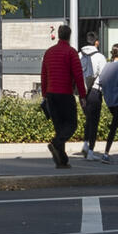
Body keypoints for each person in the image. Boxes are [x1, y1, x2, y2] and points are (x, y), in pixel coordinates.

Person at [39, 23, 85, 168]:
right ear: (69, 36)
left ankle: (62, 161)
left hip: (51, 94)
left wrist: (44, 95)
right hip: (65, 94)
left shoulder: (49, 52)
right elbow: (78, 75)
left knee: (59, 128)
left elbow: (44, 74)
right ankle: (56, 143)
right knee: (71, 125)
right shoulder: (71, 52)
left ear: (58, 35)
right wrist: (83, 96)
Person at [77, 32, 107, 157]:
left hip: (82, 92)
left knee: (88, 119)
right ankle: (90, 151)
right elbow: (104, 76)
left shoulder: (79, 55)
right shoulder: (100, 57)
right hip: (95, 91)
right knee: (94, 121)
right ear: (96, 42)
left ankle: (85, 144)